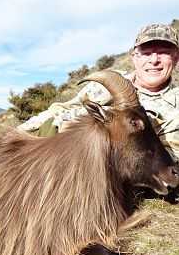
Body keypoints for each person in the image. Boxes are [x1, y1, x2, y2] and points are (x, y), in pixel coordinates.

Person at [18, 23, 179, 162]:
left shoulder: (176, 108)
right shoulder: (109, 81)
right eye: (146, 53)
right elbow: (61, 110)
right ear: (134, 58)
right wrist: (19, 132)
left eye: (163, 52)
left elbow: (170, 162)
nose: (154, 60)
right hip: (54, 149)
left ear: (175, 58)